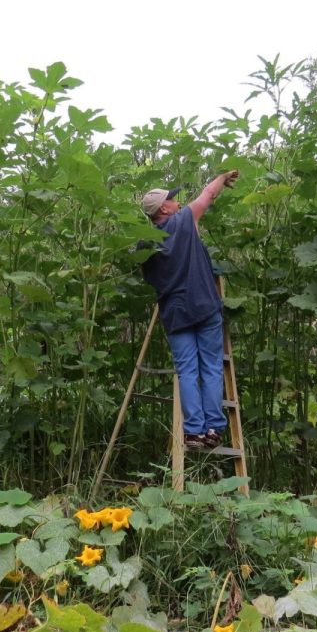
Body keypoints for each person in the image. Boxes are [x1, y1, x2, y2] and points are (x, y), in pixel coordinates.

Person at [140, 171, 239, 448]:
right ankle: (214, 430)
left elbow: (149, 278)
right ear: (163, 209)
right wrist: (222, 177)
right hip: (204, 307)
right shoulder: (184, 221)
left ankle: (193, 431)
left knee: (186, 371)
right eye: (171, 199)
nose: (177, 202)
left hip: (175, 312)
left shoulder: (145, 243)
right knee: (210, 367)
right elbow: (208, 195)